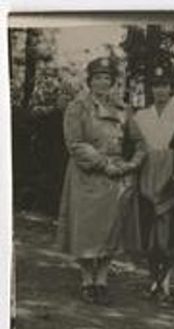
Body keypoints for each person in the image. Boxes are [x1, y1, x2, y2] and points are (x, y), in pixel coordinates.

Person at [56, 57, 146, 305]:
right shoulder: (78, 107)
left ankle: (102, 280)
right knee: (85, 230)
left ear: (113, 82)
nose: (102, 83)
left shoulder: (122, 109)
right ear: (90, 80)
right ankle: (87, 280)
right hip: (87, 175)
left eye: (107, 78)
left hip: (115, 178)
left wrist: (132, 164)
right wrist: (105, 165)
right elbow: (75, 144)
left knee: (111, 230)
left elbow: (140, 143)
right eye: (98, 78)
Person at [134, 62, 174, 302]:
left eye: (164, 85)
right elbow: (135, 148)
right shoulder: (141, 116)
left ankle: (166, 281)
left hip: (171, 177)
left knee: (169, 231)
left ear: (171, 88)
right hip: (146, 177)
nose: (160, 91)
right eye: (156, 86)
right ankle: (153, 279)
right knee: (148, 230)